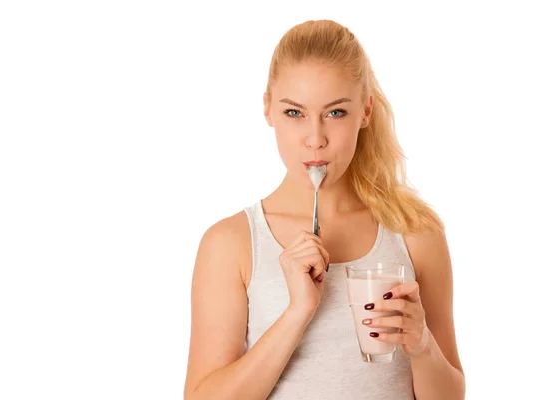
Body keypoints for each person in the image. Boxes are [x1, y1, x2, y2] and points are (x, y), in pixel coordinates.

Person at [184, 19, 465, 400]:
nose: (315, 139)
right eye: (294, 113)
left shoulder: (415, 233)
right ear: (268, 111)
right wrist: (297, 313)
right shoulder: (231, 243)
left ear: (365, 112)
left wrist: (422, 345)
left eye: (336, 113)